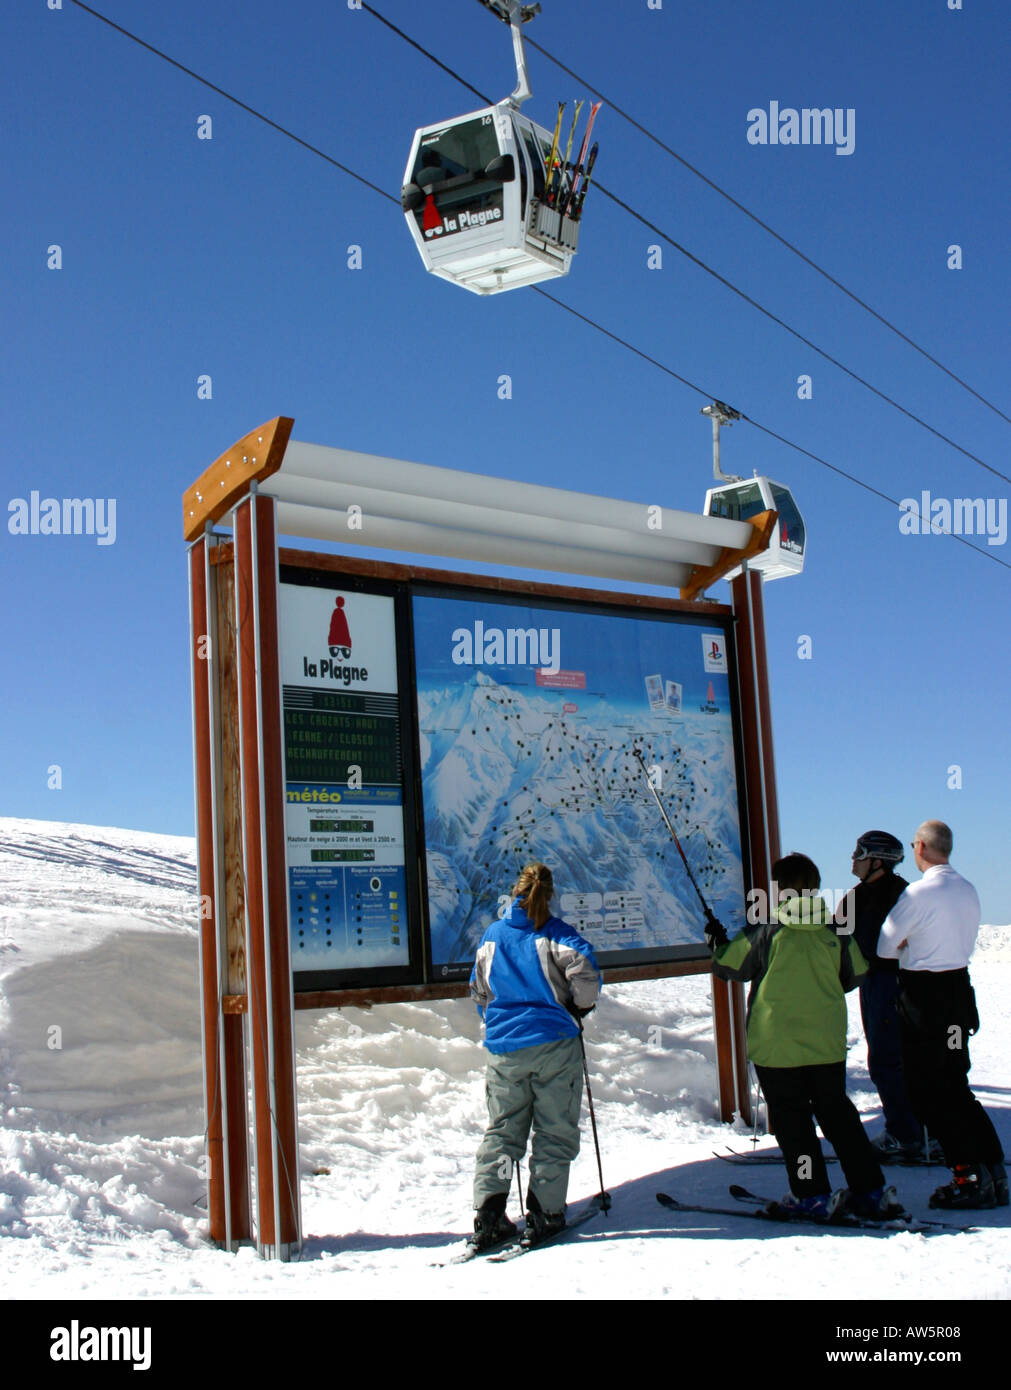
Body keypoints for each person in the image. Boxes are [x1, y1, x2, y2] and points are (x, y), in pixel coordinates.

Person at [709, 852, 900, 1220]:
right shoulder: (834, 931)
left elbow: (727, 965)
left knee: (794, 1125)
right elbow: (856, 974)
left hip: (777, 1047)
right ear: (813, 888)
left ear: (779, 889)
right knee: (840, 1119)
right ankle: (871, 1191)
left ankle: (811, 1194)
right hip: (826, 1045)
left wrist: (717, 942)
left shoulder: (767, 931)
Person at [468, 861, 601, 1250]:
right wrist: (577, 1008)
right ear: (550, 893)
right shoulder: (558, 935)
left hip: (505, 1050)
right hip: (554, 1044)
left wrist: (492, 1019)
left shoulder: (493, 936)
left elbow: (478, 989)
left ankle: (489, 1213)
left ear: (516, 893)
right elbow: (587, 973)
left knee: (504, 1132)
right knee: (553, 1131)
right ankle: (545, 1212)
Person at [877, 820, 1007, 1209]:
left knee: (928, 1094)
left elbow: (885, 946)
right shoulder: (967, 890)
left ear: (920, 847)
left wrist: (907, 946)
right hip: (957, 997)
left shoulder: (918, 894)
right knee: (955, 1085)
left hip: (923, 1001)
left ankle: (967, 1178)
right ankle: (992, 1172)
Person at [834, 830, 938, 1162]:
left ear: (877, 861)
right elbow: (835, 935)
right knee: (905, 1059)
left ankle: (907, 1135)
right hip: (885, 983)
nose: (854, 859)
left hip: (888, 984)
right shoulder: (873, 894)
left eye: (860, 853)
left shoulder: (893, 896)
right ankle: (926, 1132)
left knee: (887, 1061)